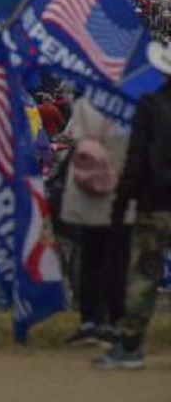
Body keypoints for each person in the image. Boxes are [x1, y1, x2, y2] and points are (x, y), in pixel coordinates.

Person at [95, 41, 171, 370]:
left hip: (155, 202)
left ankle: (129, 345)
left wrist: (121, 200)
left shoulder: (151, 106)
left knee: (143, 274)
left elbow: (136, 158)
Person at [60, 96, 130, 348]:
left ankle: (89, 320)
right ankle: (114, 321)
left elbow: (71, 138)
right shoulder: (129, 104)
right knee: (117, 262)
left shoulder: (84, 104)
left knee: (90, 258)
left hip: (86, 189)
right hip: (118, 188)